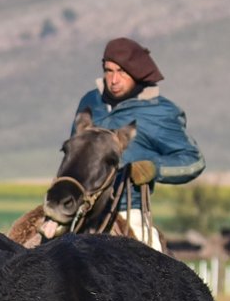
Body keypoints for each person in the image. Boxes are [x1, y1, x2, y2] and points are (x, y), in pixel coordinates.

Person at [74, 37, 205, 249]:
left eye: (122, 72)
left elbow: (193, 160)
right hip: (77, 208)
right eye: (109, 70)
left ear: (137, 72)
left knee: (153, 270)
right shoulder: (90, 102)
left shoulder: (160, 111)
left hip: (127, 211)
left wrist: (154, 168)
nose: (114, 80)